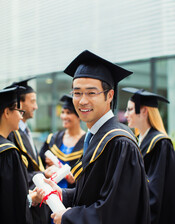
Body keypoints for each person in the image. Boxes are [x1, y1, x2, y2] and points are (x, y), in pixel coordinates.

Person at [38, 50, 150, 224]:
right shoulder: (96, 136)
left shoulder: (119, 143)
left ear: (109, 96)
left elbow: (118, 212)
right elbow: (95, 192)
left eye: (91, 93)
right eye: (77, 93)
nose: (82, 101)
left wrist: (68, 217)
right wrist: (64, 194)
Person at [123, 87, 175, 224]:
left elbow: (156, 191)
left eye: (130, 109)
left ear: (144, 111)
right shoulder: (138, 140)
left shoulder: (160, 144)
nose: (126, 114)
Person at [7, 78, 50, 224]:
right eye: (32, 101)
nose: (36, 106)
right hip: (26, 203)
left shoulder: (25, 130)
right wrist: (43, 174)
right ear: (20, 103)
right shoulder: (11, 134)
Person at [0, 86, 42, 224]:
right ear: (7, 112)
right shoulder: (8, 152)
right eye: (18, 110)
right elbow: (11, 204)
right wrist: (31, 199)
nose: (20, 115)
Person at [40, 94, 85, 189]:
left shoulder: (87, 142)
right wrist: (47, 164)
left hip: (73, 194)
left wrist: (76, 179)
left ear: (79, 115)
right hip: (50, 192)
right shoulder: (53, 138)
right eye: (63, 112)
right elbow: (39, 165)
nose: (64, 116)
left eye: (68, 113)